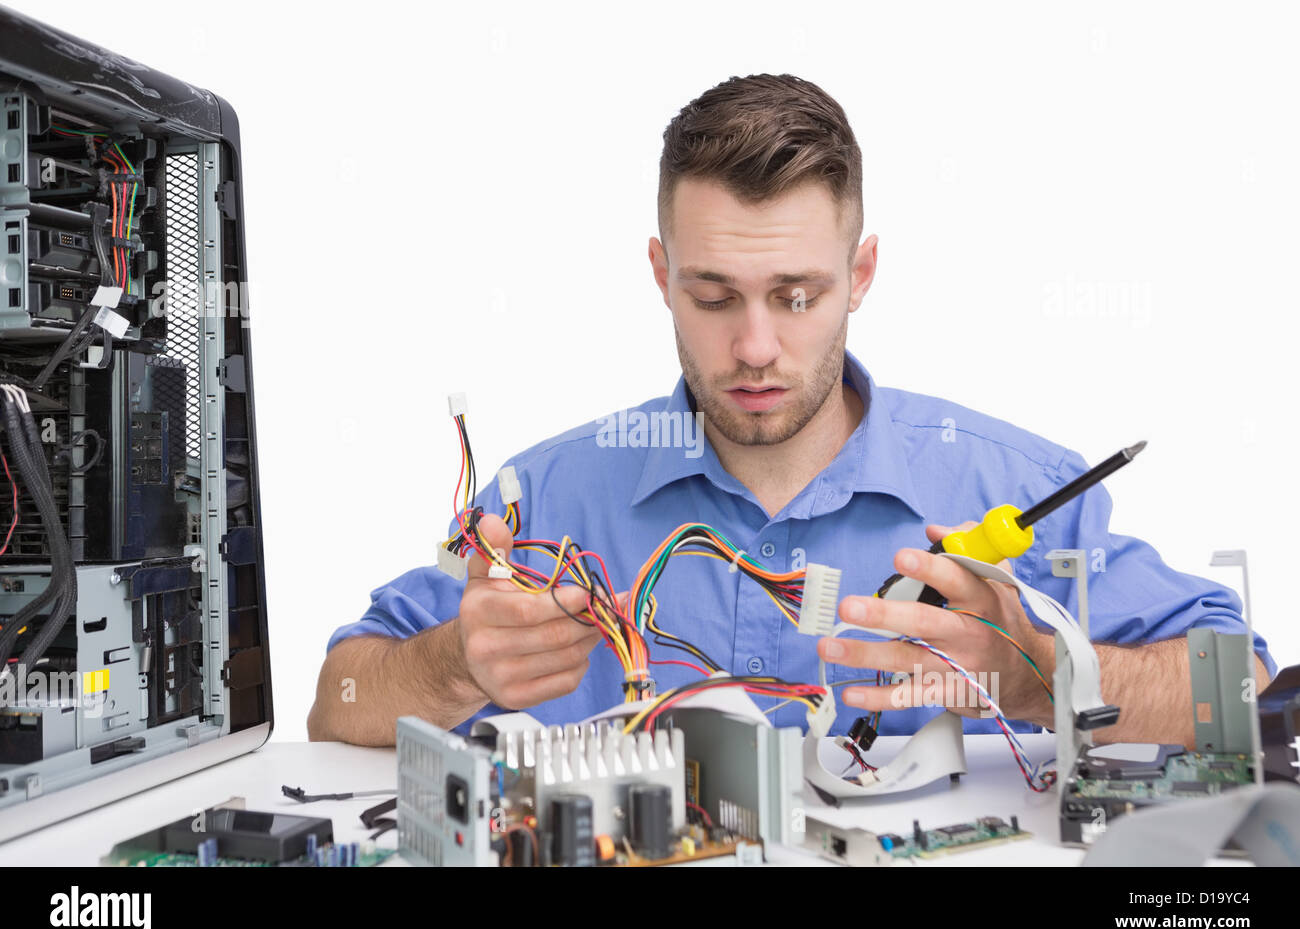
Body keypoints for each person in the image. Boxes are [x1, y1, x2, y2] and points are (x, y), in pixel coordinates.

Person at [308, 73, 1275, 748]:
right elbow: (336, 699)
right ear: (661, 274)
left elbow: (1249, 689)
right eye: (715, 295)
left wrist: (1037, 675)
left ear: (861, 275)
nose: (756, 347)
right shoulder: (545, 497)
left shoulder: (1010, 489)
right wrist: (452, 666)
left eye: (798, 295)